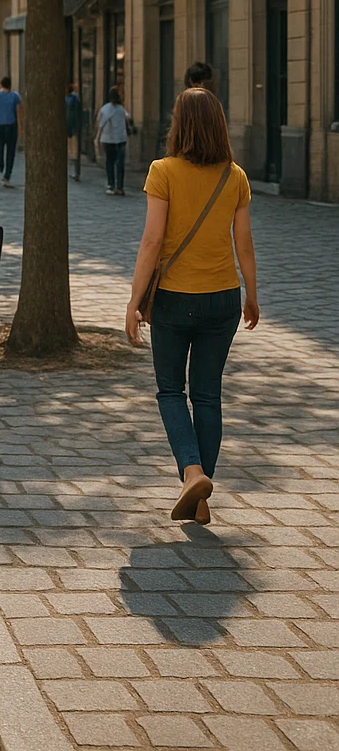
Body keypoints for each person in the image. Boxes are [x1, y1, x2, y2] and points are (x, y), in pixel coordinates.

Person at [125, 87, 257, 527]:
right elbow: (245, 245)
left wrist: (133, 300)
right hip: (223, 298)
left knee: (169, 390)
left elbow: (151, 241)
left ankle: (193, 472)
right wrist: (252, 295)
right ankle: (199, 496)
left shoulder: (162, 171)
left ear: (179, 124)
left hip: (175, 300)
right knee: (208, 394)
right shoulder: (234, 176)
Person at [96, 87, 130, 195]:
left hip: (109, 139)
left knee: (110, 162)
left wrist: (97, 137)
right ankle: (119, 186)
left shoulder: (105, 109)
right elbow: (128, 117)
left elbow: (100, 122)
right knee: (120, 164)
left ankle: (111, 185)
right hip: (120, 138)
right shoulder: (121, 108)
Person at [0, 76, 23, 187]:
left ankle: (0, 162)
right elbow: (18, 113)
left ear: (1, 84)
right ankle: (7, 175)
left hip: (0, 126)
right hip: (12, 126)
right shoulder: (16, 96)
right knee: (11, 152)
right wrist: (20, 128)